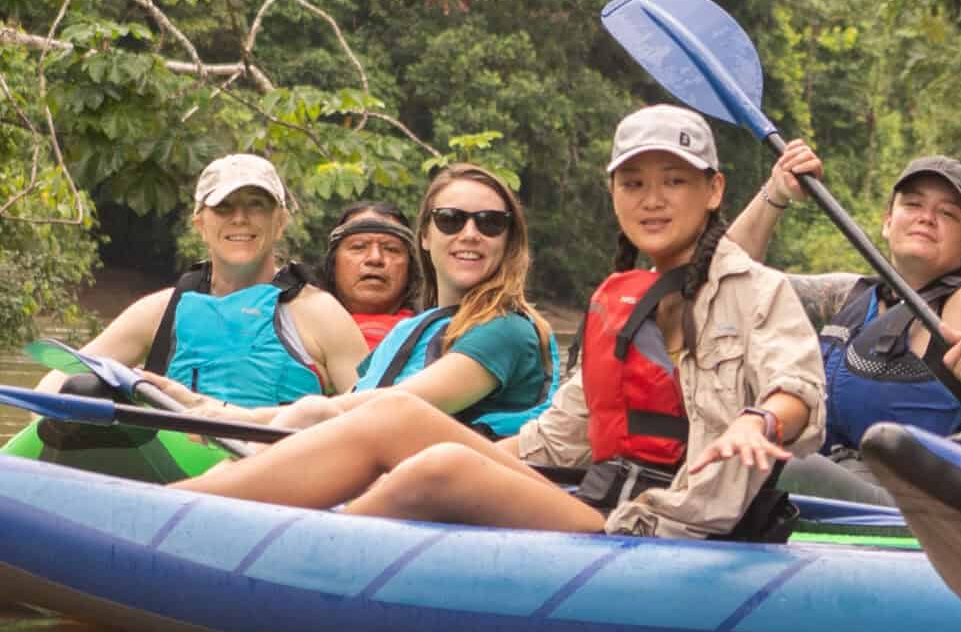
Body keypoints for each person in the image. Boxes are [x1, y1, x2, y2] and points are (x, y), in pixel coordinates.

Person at [181, 107, 825, 541]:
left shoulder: (755, 290)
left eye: (673, 181)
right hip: (602, 502)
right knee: (395, 424)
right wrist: (428, 446)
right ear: (614, 195)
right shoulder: (619, 300)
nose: (651, 199)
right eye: (633, 183)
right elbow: (554, 442)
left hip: (668, 527)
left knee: (438, 470)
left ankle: (278, 560)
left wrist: (758, 420)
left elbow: (795, 391)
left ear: (714, 190)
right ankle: (186, 508)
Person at [727, 141, 961, 501]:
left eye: (947, 213)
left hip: (940, 508)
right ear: (888, 222)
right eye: (913, 204)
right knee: (750, 453)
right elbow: (729, 282)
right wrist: (775, 193)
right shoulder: (844, 296)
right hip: (845, 493)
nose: (926, 217)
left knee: (785, 466)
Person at [151, 165, 557, 438]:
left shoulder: (505, 329)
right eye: (451, 219)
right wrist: (205, 408)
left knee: (311, 413)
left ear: (509, 241)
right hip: (367, 463)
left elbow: (388, 408)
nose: (470, 233)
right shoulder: (412, 331)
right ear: (426, 237)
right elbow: (350, 410)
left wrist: (229, 416)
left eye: (490, 223)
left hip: (446, 492)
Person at [45, 153, 368, 404]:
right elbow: (56, 385)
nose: (240, 219)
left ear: (280, 222)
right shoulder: (160, 311)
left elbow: (371, 413)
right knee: (82, 388)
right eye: (223, 207)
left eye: (256, 205)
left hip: (275, 476)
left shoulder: (321, 315)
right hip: (172, 477)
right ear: (200, 224)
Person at [317, 202, 421, 349]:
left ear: (410, 268)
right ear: (333, 264)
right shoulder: (295, 332)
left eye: (391, 249)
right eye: (358, 247)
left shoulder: (438, 335)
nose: (375, 258)